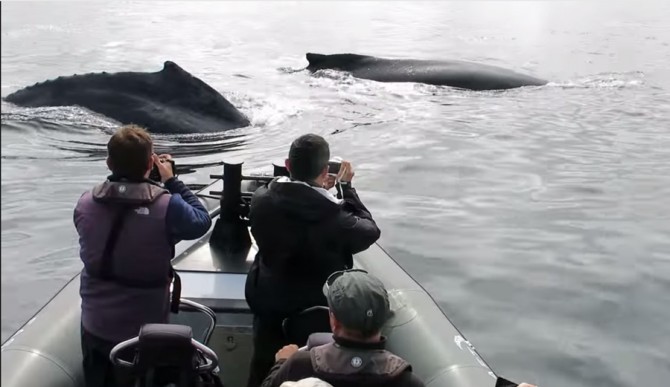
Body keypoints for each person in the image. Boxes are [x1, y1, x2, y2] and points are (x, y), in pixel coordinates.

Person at [73, 124, 212, 387]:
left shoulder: (85, 203)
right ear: (151, 163)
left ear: (108, 162)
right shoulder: (167, 206)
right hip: (144, 331)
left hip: (96, 324)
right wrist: (171, 180)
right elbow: (201, 221)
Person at [245, 134, 381, 387]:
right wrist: (346, 189)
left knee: (262, 368)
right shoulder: (334, 219)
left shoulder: (261, 198)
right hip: (310, 317)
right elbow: (370, 231)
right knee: (309, 375)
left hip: (268, 305)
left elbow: (294, 199)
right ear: (323, 170)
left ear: (287, 164)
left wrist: (317, 189)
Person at [260, 269, 424, 387]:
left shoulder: (300, 365)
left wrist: (281, 362)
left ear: (334, 321)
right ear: (383, 320)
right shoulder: (406, 380)